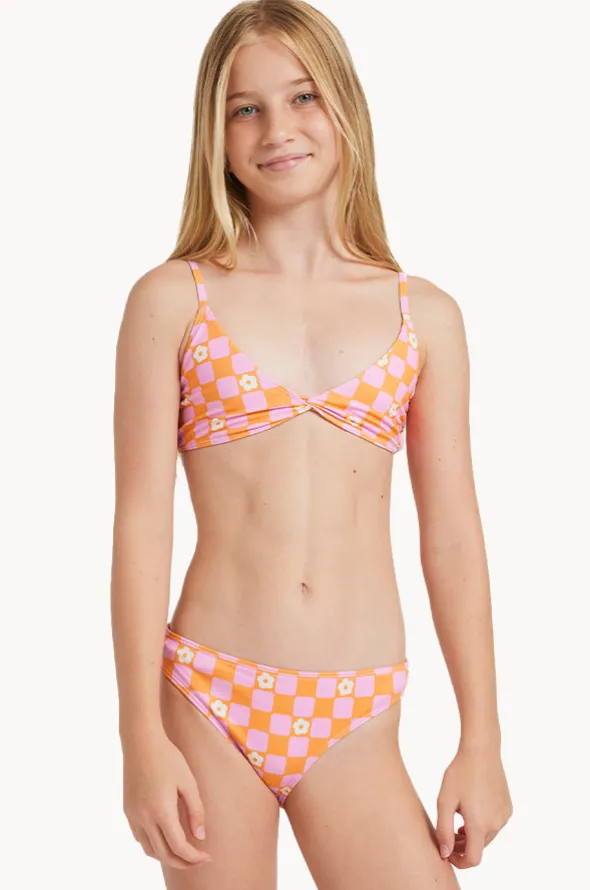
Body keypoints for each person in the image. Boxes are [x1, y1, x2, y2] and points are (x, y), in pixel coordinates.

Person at [110, 1, 513, 886]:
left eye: (302, 97)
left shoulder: (425, 315)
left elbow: (452, 535)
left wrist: (480, 738)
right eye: (244, 109)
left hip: (357, 711)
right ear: (214, 134)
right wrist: (140, 737)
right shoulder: (172, 300)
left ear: (345, 106)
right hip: (210, 695)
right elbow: (141, 524)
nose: (277, 129)